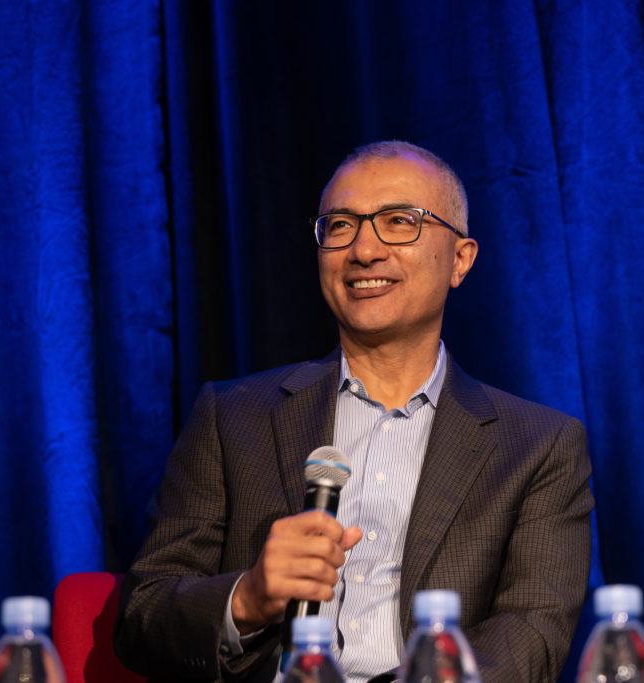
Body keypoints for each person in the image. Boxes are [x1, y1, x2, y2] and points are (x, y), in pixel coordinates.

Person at [114, 141, 594, 683]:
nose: (364, 250)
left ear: (461, 259)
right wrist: (247, 598)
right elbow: (142, 615)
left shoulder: (538, 444)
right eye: (339, 225)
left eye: (398, 222)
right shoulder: (233, 417)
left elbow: (532, 635)